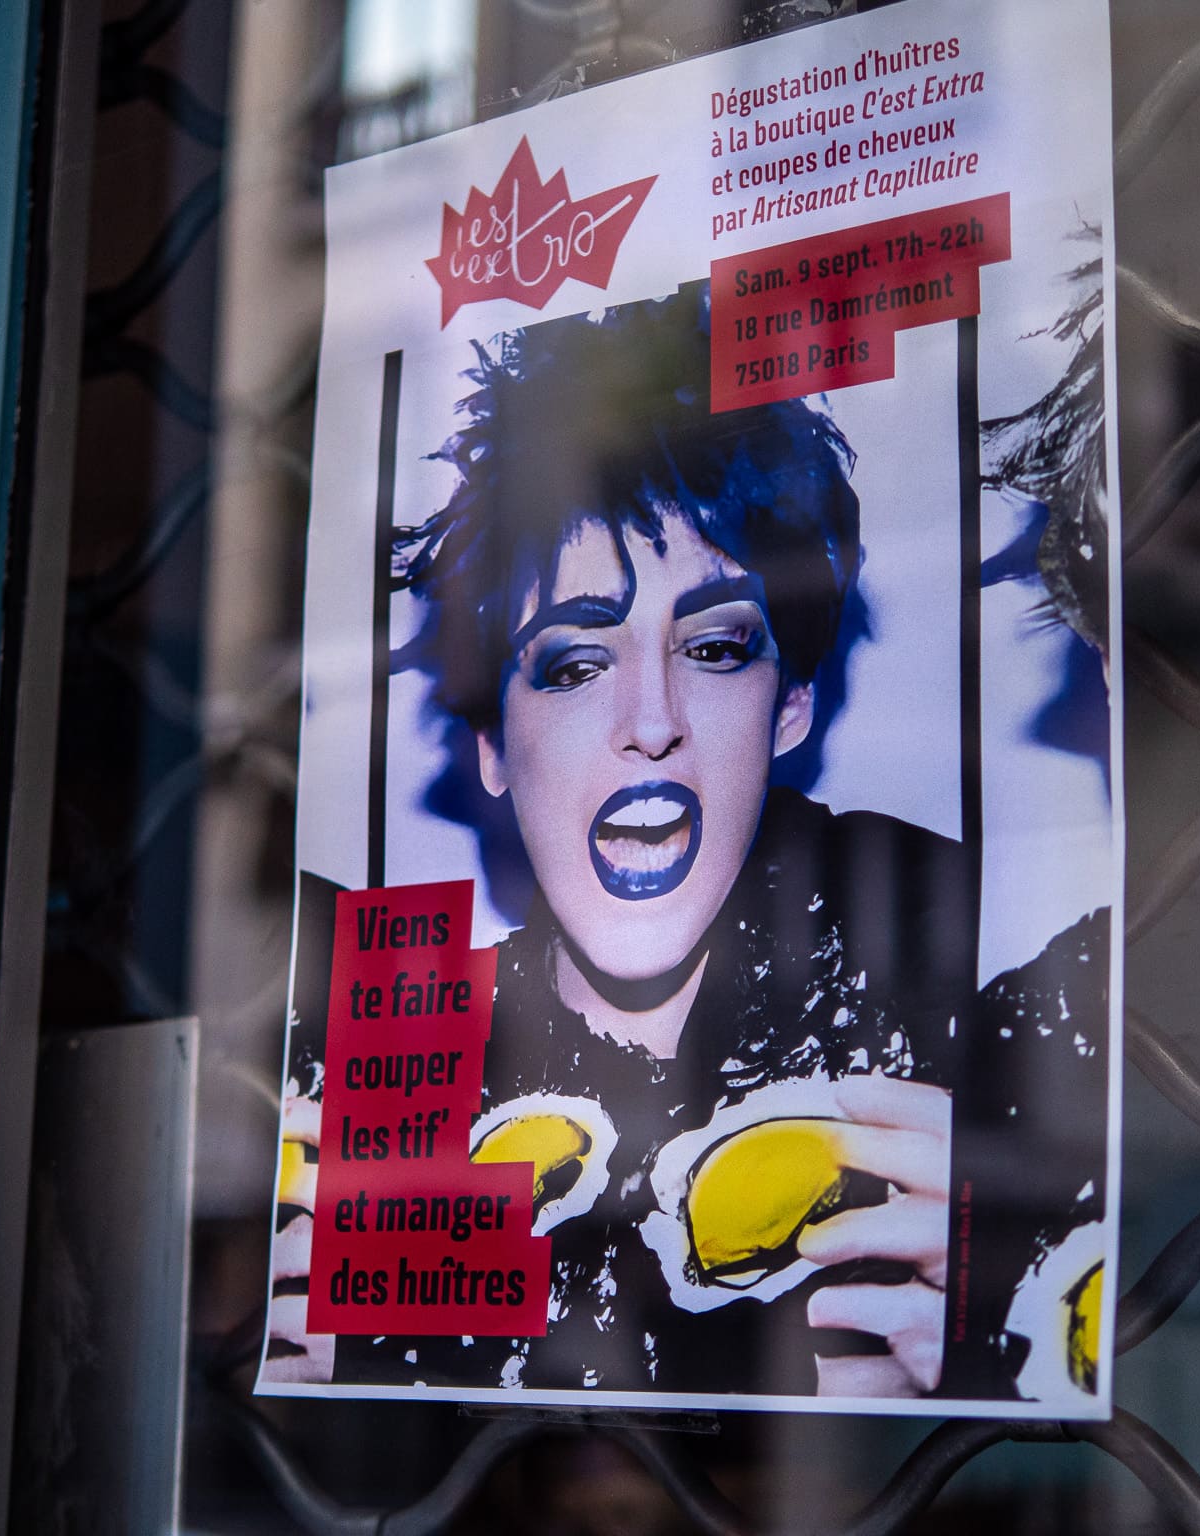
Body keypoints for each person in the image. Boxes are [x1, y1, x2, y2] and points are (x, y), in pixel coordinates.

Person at [265, 287, 1106, 1400]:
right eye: (574, 663)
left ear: (791, 703)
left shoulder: (987, 977)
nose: (651, 721)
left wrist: (997, 1342)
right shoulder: (392, 1065)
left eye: (714, 649)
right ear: (491, 745)